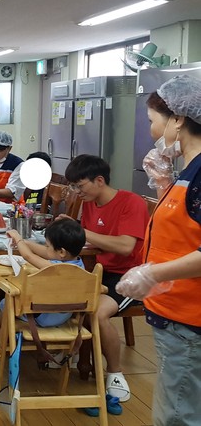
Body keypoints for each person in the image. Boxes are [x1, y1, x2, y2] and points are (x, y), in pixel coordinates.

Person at [116, 74, 201, 426]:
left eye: (153, 121)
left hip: (189, 317)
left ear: (178, 120)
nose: (152, 131)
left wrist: (152, 273)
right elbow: (185, 229)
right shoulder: (189, 171)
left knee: (178, 415)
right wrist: (165, 183)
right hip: (174, 314)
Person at [62, 154, 148, 401]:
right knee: (54, 289)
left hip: (129, 276)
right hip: (97, 270)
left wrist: (81, 231)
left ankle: (115, 373)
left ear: (99, 180)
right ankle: (69, 352)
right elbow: (90, 240)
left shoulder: (131, 203)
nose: (77, 192)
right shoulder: (91, 202)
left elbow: (125, 247)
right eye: (73, 187)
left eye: (80, 186)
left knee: (97, 313)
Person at [0, 218, 86, 335]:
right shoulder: (79, 265)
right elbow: (47, 253)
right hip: (63, 315)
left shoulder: (56, 268)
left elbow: (28, 256)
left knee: (10, 299)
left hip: (44, 315)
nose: (46, 248)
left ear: (62, 252)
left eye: (48, 246)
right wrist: (25, 243)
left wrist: (18, 238)